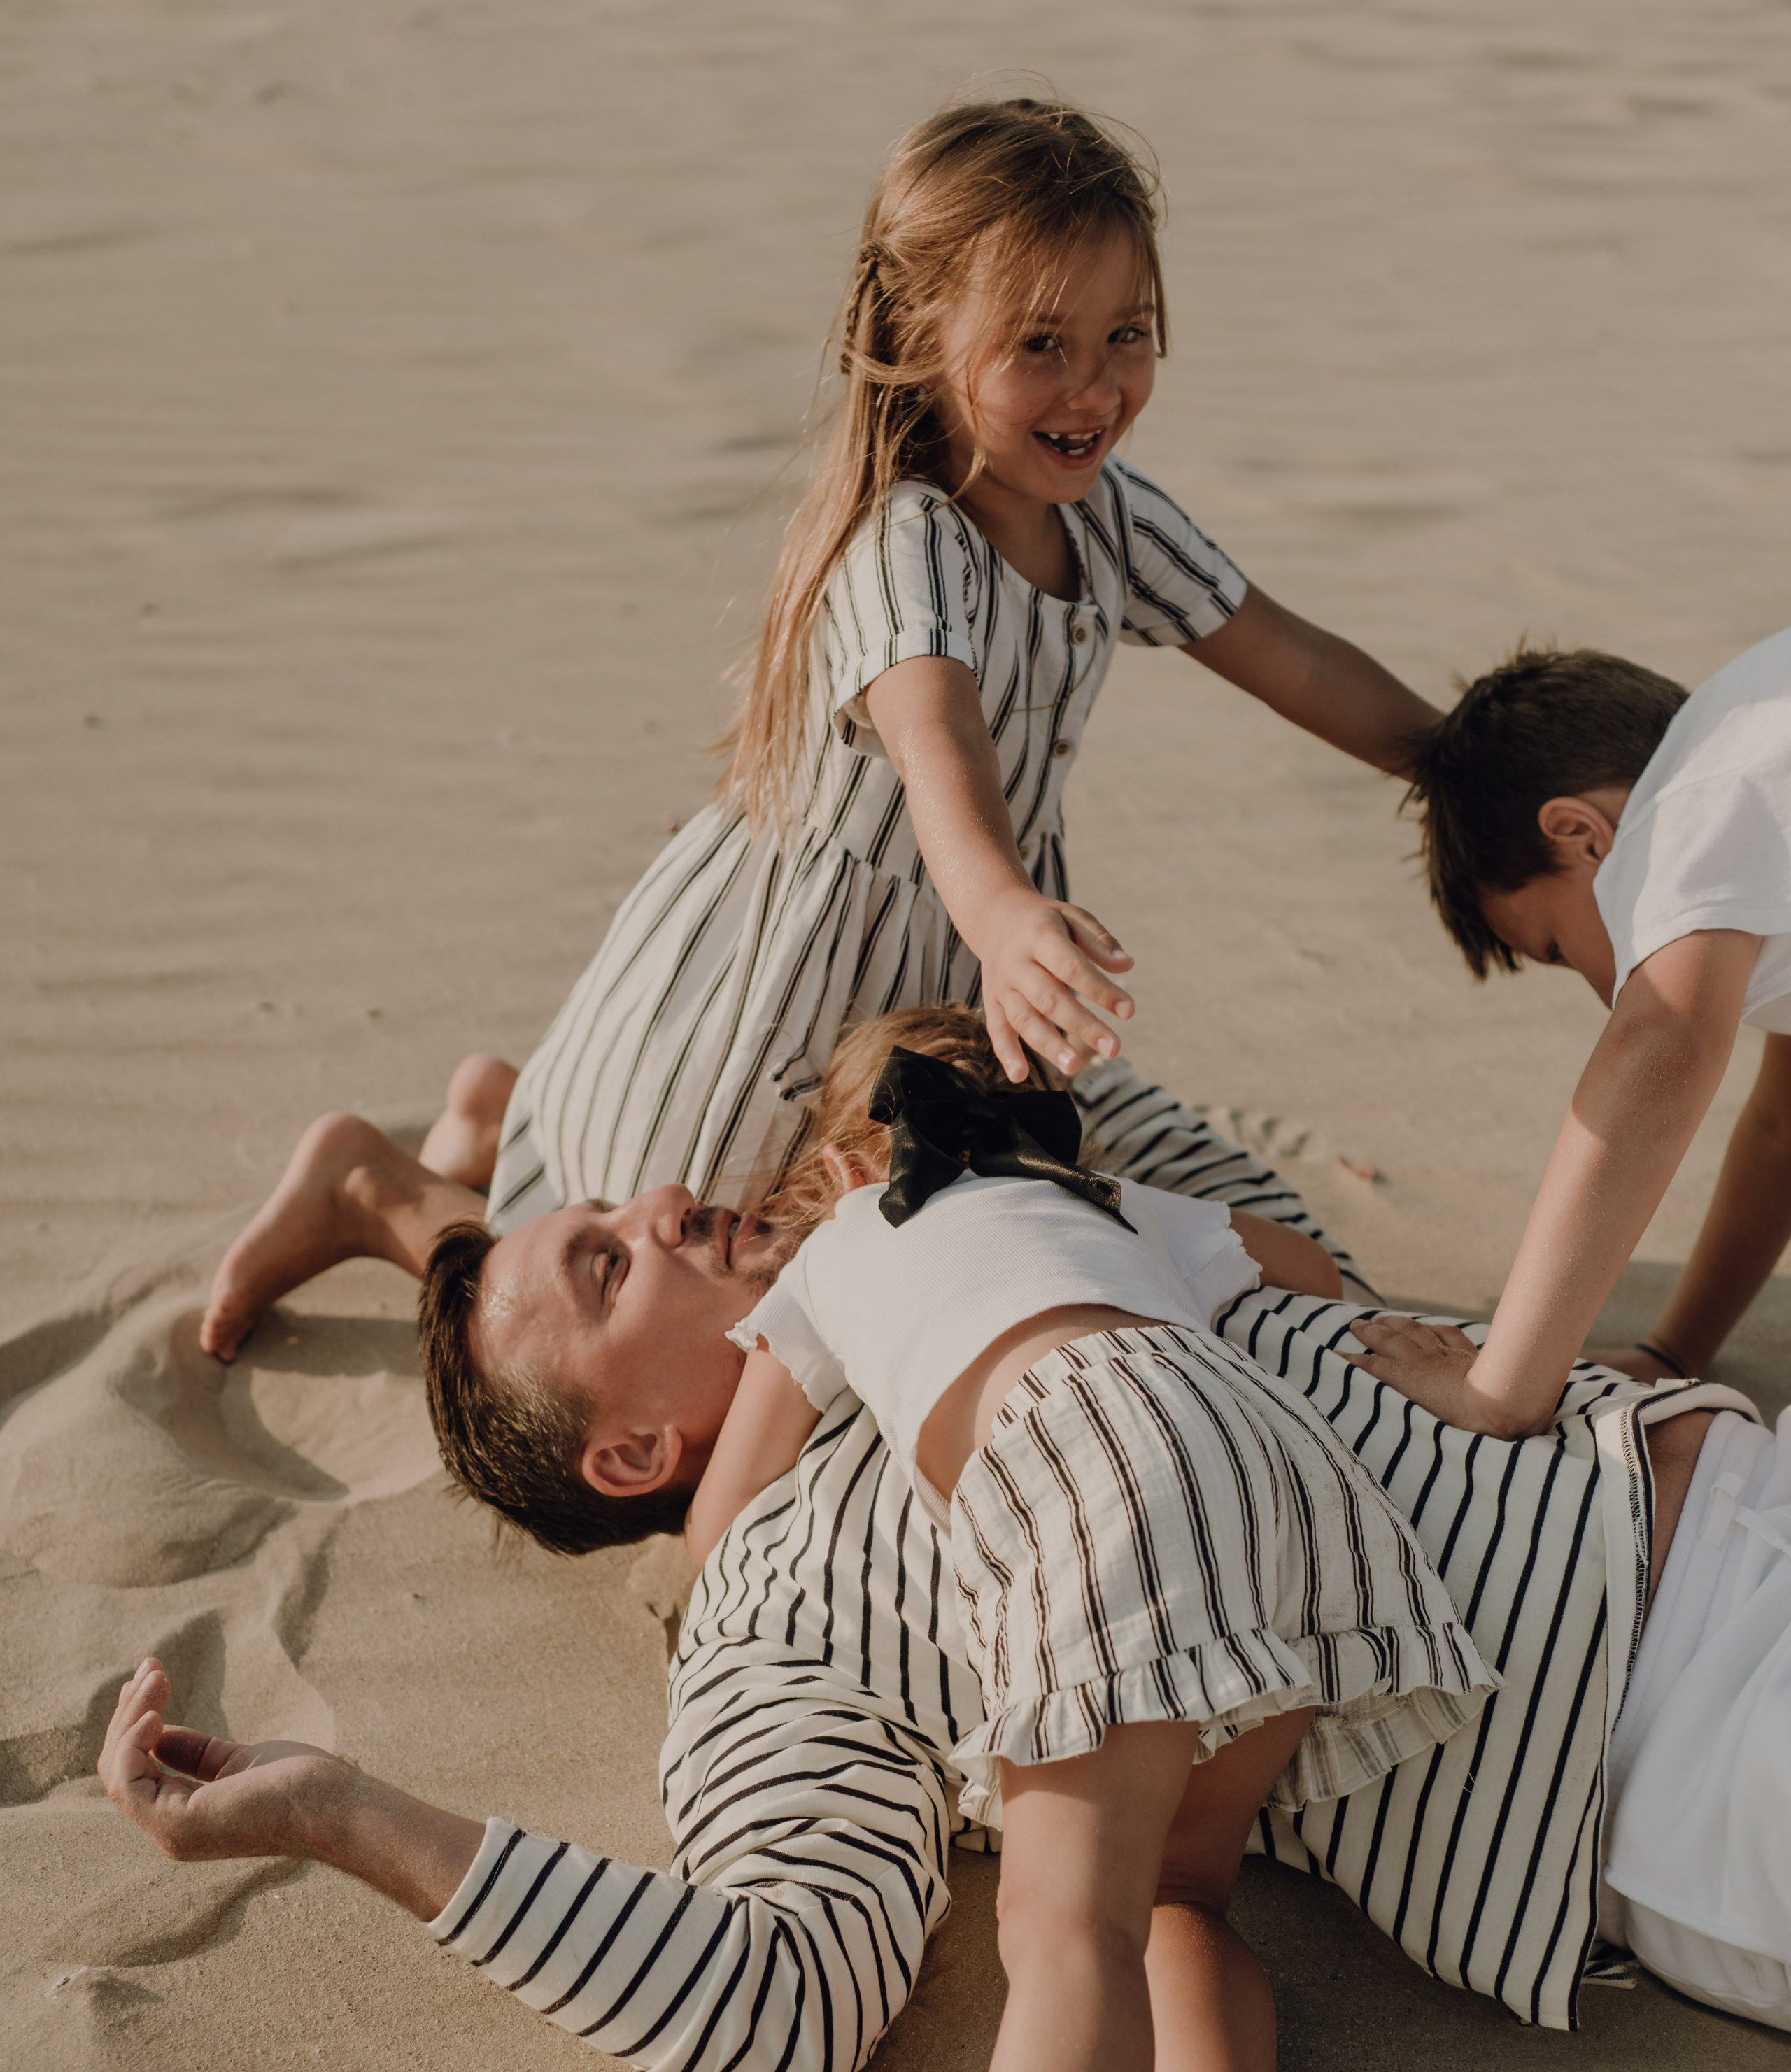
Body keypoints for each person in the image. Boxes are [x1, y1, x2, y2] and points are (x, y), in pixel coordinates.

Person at [101, 1019, 1787, 2072]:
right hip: (1659, 1729)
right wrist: (349, 1817)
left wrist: (948, 1055)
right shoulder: (762, 1611)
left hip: (1702, 1464)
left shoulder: (979, 1213)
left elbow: (1190, 1171)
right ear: (629, 1456)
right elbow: (777, 1998)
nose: (678, 1200)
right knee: (1135, 1921)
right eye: (611, 1259)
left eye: (633, 1200)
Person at [666, 1026, 1494, 2072]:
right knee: (1173, 1890)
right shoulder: (1113, 1208)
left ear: (852, 1161)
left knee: (1066, 1932)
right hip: (1277, 1461)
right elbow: (1308, 1272)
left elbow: (718, 1522)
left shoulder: (838, 1248)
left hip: (1084, 1462)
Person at [427, 92, 1440, 1246]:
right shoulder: (908, 539)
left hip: (940, 986)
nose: (1096, 388)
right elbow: (937, 735)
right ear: (920, 338)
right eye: (1039, 345)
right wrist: (1007, 913)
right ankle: (382, 1193)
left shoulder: (1104, 516)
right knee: (705, 1272)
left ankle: (499, 1108)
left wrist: (1452, 760)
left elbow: (1287, 653)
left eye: (1129, 332)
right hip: (781, 1008)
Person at [1352, 627, 1791, 1430]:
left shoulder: (1689, 808)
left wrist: (1501, 1389)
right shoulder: (1756, 793)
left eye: (1555, 948)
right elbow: (1781, 1132)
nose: (1603, 992)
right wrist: (1674, 1351)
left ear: (1580, 835)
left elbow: (1661, 1038)